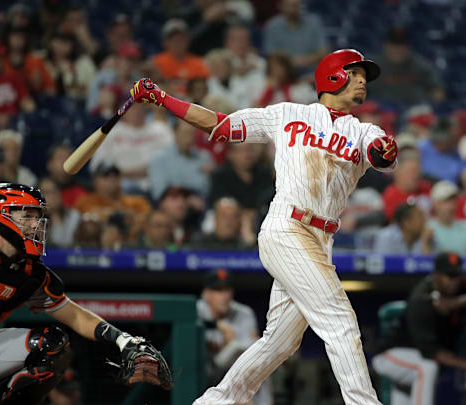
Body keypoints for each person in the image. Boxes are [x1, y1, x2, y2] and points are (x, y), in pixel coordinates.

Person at [129, 47, 398, 404]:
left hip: (321, 239)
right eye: (356, 73)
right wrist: (163, 98)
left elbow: (382, 154)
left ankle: (214, 402)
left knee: (280, 342)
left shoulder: (362, 130)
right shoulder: (287, 113)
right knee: (340, 322)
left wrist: (384, 147)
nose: (363, 81)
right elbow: (221, 126)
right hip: (288, 226)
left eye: (365, 77)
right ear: (334, 75)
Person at [0, 183, 169, 404]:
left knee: (52, 346)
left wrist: (123, 340)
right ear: (0, 215)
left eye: (38, 216)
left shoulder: (31, 274)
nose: (36, 223)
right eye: (27, 216)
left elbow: (76, 316)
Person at [372, 252, 466, 405]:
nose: (454, 281)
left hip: (416, 358)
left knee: (414, 383)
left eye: (457, 275)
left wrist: (456, 303)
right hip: (391, 355)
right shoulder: (421, 299)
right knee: (426, 368)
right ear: (436, 275)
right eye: (449, 276)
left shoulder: (461, 286)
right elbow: (432, 353)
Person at [197, 269, 273, 405]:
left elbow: (251, 349)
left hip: (231, 374)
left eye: (227, 290)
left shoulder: (244, 313)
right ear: (206, 294)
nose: (224, 296)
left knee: (258, 367)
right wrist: (215, 325)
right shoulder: (195, 311)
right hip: (202, 377)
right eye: (218, 290)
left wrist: (232, 345)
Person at [368, 27, 445, 106]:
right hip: (380, 111)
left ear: (408, 47)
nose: (397, 49)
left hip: (414, 111)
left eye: (401, 45)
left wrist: (432, 103)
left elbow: (438, 92)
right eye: (394, 45)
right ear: (385, 46)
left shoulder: (422, 66)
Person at [262, 0, 329, 71]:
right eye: (290, 5)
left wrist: (305, 60)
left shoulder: (314, 22)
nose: (294, 9)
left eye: (297, 5)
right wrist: (291, 62)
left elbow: (324, 51)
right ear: (281, 6)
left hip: (312, 70)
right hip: (284, 72)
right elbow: (271, 55)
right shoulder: (272, 26)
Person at [427, 181, 466, 255]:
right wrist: (425, 242)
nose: (451, 206)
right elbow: (424, 261)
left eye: (453, 201)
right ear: (435, 204)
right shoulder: (427, 229)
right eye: (446, 201)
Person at [381, 149, 432, 222]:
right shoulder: (390, 196)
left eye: (418, 171)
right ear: (398, 173)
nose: (416, 175)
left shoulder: (426, 188)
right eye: (411, 171)